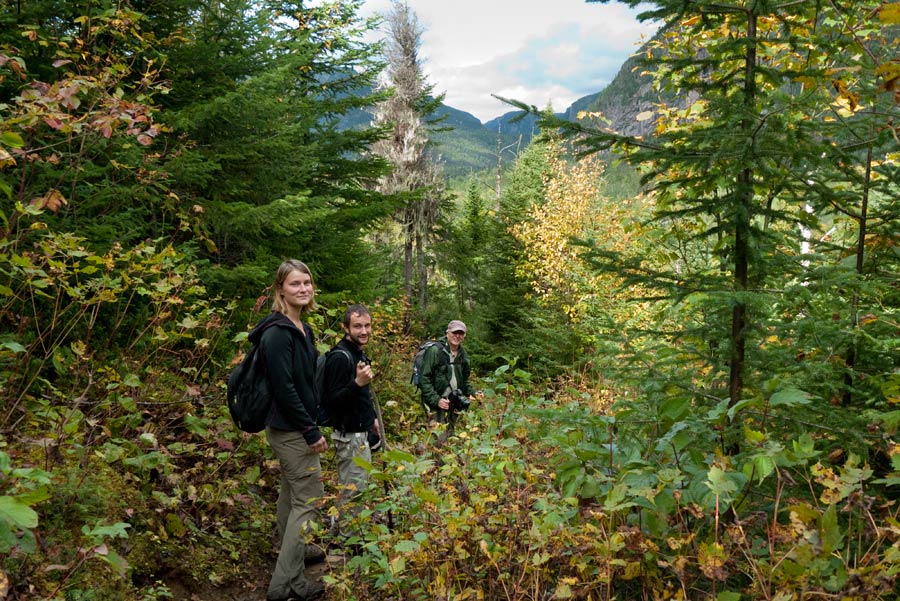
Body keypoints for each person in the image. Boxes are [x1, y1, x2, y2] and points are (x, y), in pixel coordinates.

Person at [250, 259, 326, 601]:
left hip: (295, 425)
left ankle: (293, 557)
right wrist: (310, 430)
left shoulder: (302, 328)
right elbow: (284, 389)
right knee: (309, 500)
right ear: (280, 289)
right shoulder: (278, 334)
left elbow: (306, 382)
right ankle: (286, 585)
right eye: (295, 283)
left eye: (307, 283)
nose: (303, 289)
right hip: (291, 429)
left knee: (291, 496)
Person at [319, 304, 379, 535]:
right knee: (353, 491)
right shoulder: (340, 357)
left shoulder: (358, 353)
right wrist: (357, 383)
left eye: (367, 325)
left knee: (356, 489)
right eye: (357, 326)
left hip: (360, 433)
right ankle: (347, 541)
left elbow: (361, 396)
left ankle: (343, 533)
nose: (364, 331)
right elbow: (332, 400)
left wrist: (372, 418)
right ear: (346, 328)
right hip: (349, 437)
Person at [418, 319, 480, 430]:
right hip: (435, 403)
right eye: (454, 332)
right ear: (447, 333)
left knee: (451, 435)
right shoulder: (435, 351)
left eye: (461, 333)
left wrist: (474, 393)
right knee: (437, 435)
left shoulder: (463, 355)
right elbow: (424, 378)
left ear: (464, 336)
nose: (457, 336)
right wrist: (437, 400)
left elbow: (464, 382)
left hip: (453, 403)